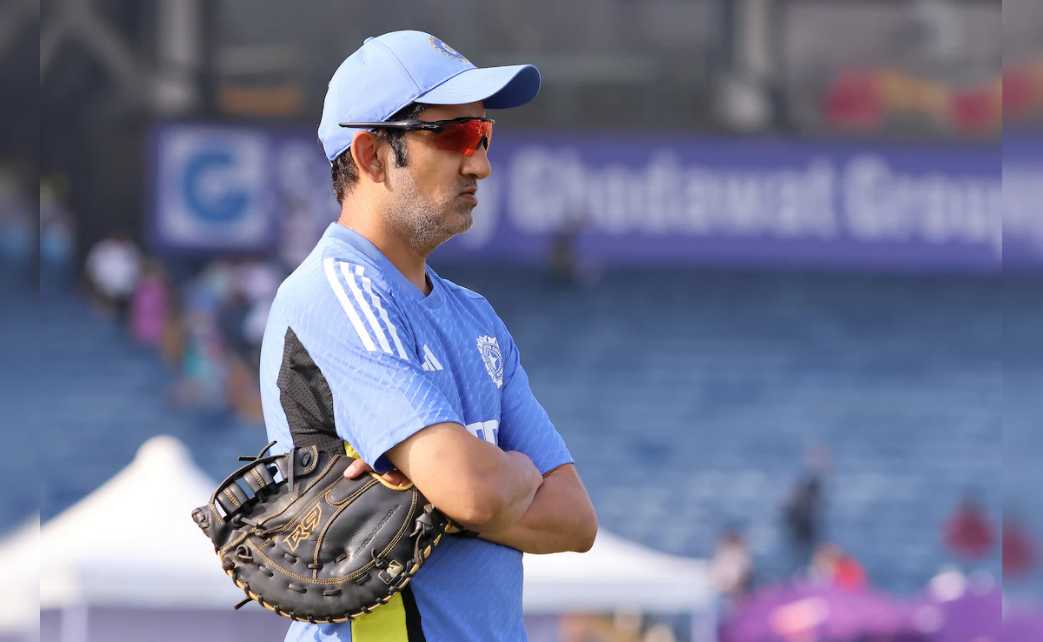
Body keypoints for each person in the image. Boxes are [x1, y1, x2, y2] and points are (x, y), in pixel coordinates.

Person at [258, 31, 598, 642]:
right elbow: (472, 490)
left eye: (484, 134)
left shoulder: (476, 316)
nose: (481, 164)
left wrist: (453, 492)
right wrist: (512, 477)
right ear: (371, 155)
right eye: (455, 136)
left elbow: (575, 519)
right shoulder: (335, 292)